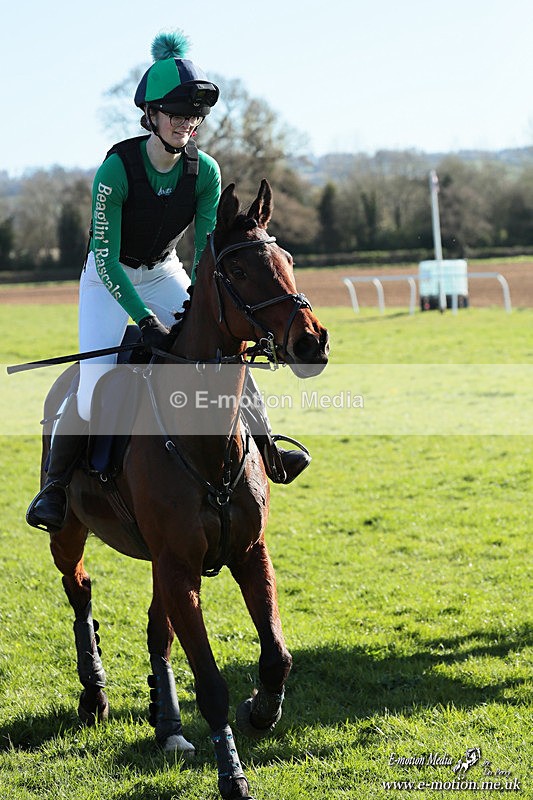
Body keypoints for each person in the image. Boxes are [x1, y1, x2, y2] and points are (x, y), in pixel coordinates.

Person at [27, 30, 310, 533]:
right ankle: (53, 488)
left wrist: (211, 310)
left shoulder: (206, 173)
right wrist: (145, 321)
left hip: (163, 270)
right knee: (94, 389)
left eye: (193, 115)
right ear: (151, 115)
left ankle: (267, 448)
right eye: (175, 113)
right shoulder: (116, 169)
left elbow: (205, 254)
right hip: (108, 278)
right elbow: (109, 263)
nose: (186, 123)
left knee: (226, 354)